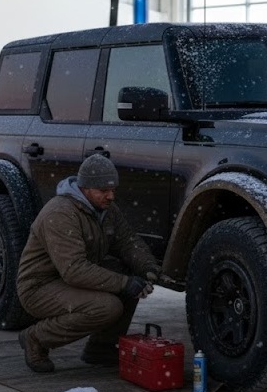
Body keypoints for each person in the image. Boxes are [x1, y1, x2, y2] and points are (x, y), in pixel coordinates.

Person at [16, 154, 160, 373]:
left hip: (68, 279)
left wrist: (148, 268)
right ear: (84, 188)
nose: (111, 196)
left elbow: (128, 241)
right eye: (103, 191)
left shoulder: (106, 209)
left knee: (131, 277)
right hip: (39, 287)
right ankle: (35, 338)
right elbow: (74, 270)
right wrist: (124, 283)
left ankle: (101, 349)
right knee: (107, 307)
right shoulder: (60, 213)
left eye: (113, 190)